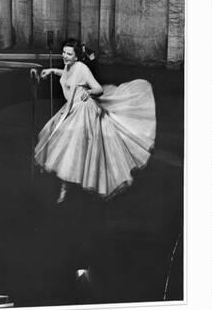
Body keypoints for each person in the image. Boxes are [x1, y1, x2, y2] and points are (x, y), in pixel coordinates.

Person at [34, 38, 156, 203]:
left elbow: (98, 89)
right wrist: (52, 70)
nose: (65, 56)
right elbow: (68, 76)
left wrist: (90, 92)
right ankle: (66, 184)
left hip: (84, 109)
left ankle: (68, 186)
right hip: (72, 108)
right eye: (63, 52)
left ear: (76, 57)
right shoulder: (70, 66)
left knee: (73, 145)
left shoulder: (82, 68)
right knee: (64, 140)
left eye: (69, 54)